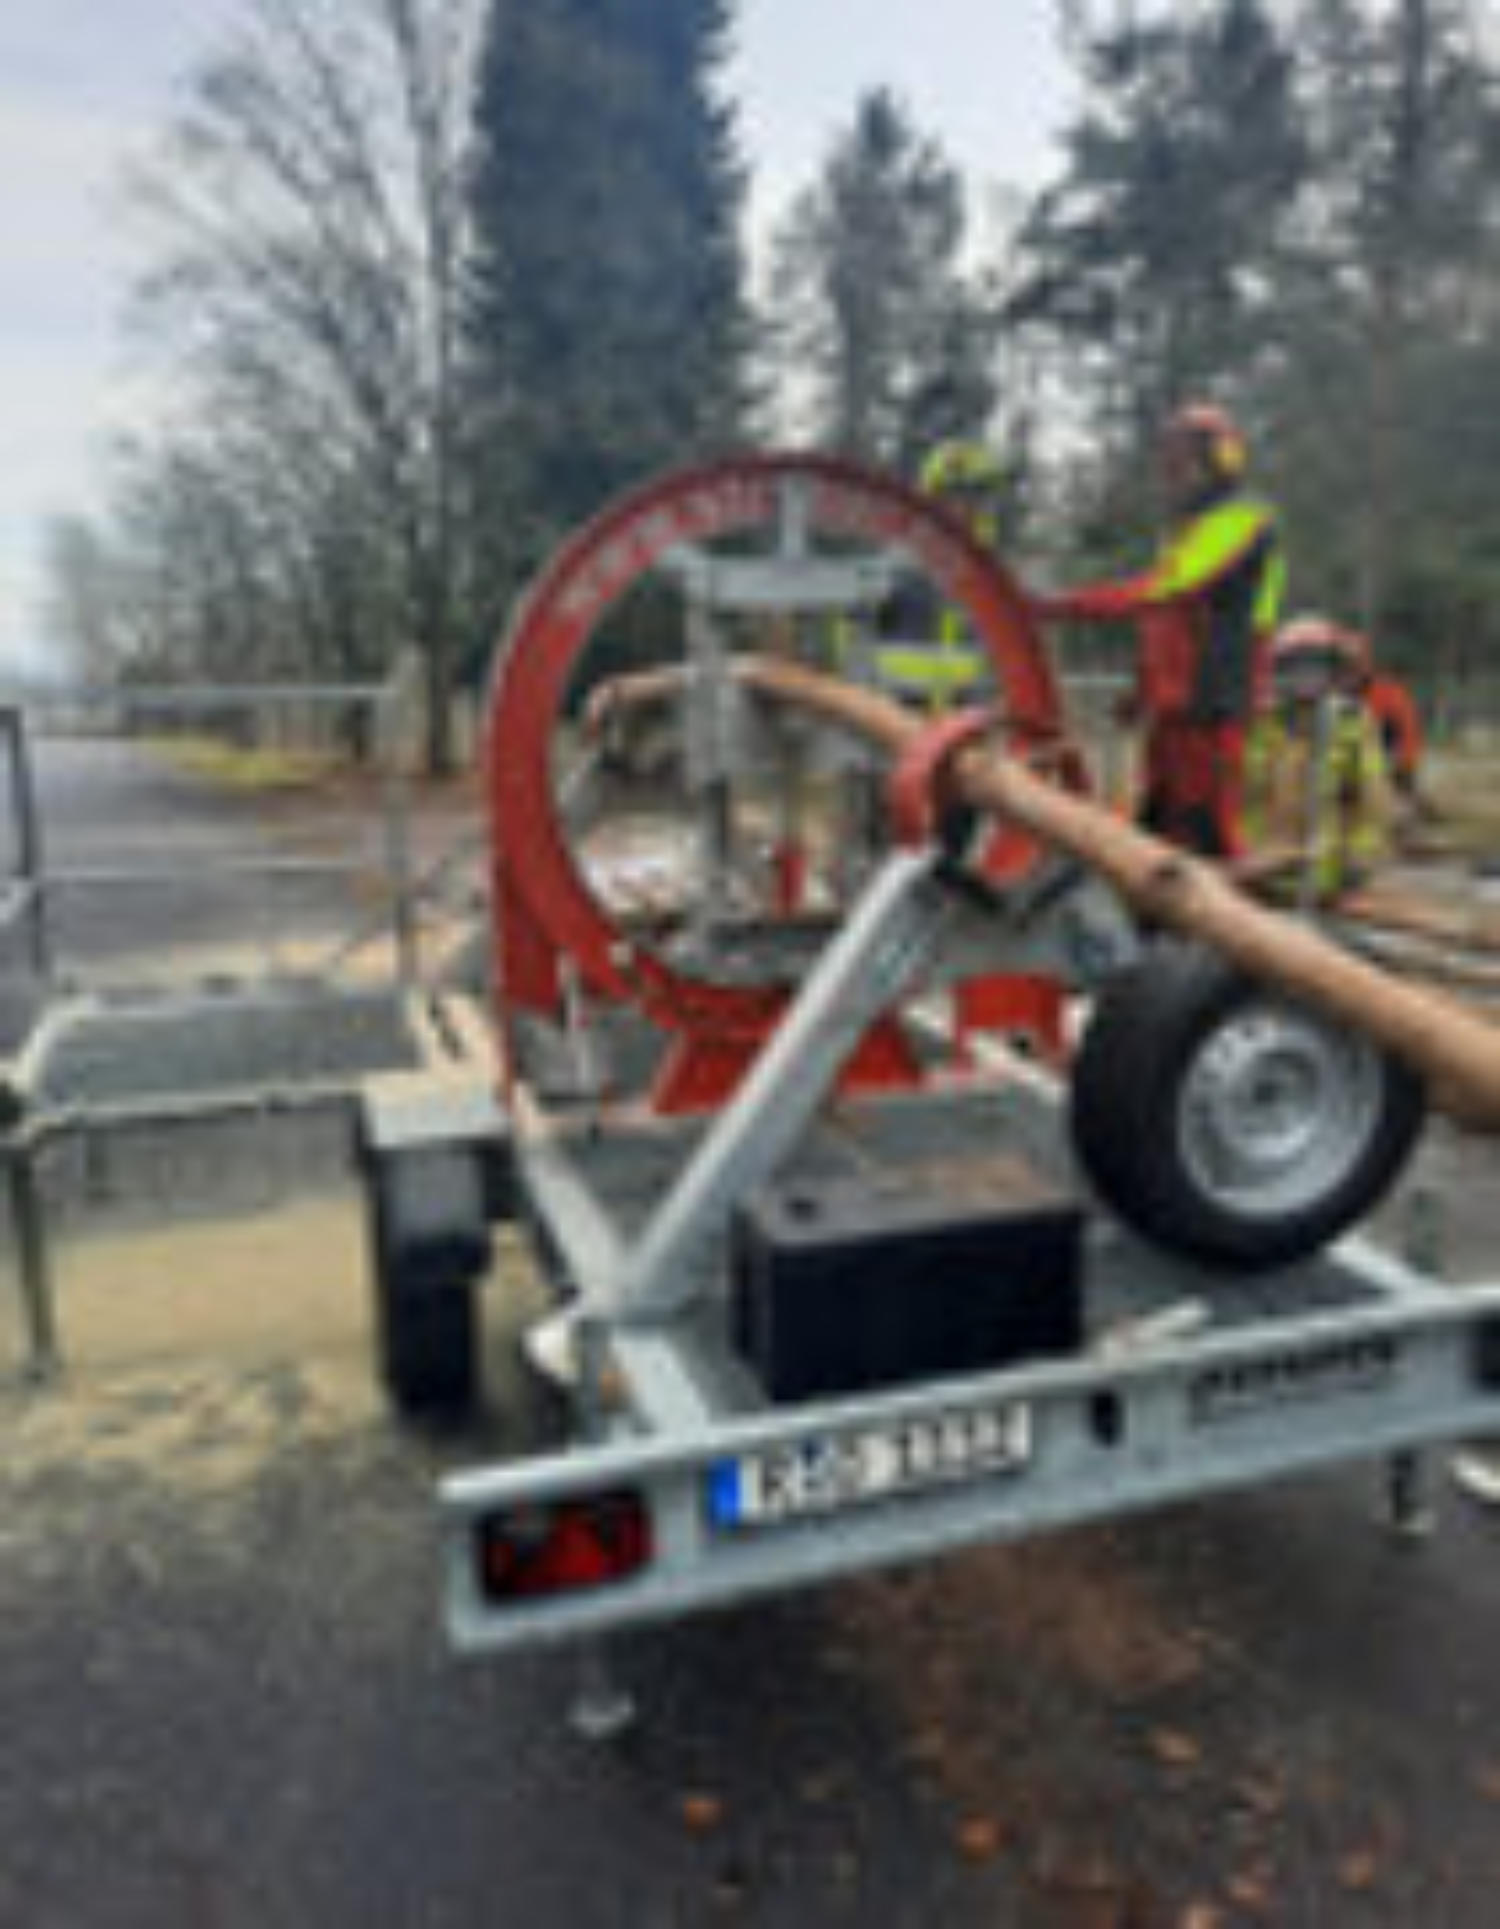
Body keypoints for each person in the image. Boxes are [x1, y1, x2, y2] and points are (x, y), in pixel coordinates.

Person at [1031, 402, 1286, 858]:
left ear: (1221, 460)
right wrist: (1142, 688)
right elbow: (1163, 624)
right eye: (1171, 462)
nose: (1175, 474)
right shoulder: (1188, 530)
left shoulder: (1242, 521)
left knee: (1208, 828)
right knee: (1157, 819)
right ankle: (1155, 901)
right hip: (1174, 705)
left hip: (1211, 699)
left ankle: (1221, 900)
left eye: (1185, 461)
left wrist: (1061, 604)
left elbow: (1166, 592)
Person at [1243, 615, 1391, 898]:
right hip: (1258, 872)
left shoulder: (1352, 724)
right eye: (1297, 667)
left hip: (1322, 876)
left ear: (1333, 672)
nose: (1306, 677)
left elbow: (1372, 801)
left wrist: (1360, 858)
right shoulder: (1261, 723)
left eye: (1315, 667)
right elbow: (1244, 794)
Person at [867, 438, 1006, 711]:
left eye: (977, 496)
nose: (966, 507)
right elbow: (856, 639)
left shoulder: (994, 574)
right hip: (899, 716)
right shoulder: (899, 565)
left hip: (972, 718)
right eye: (955, 496)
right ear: (931, 501)